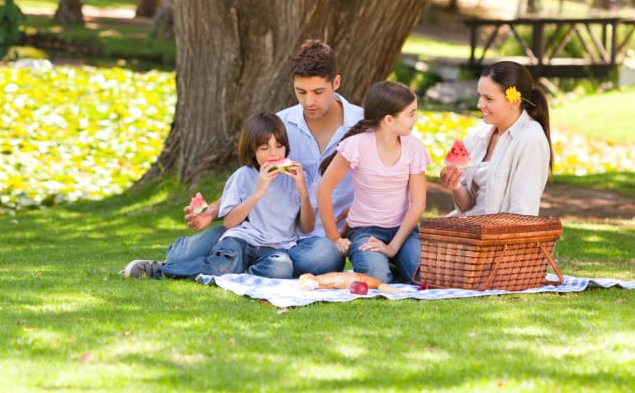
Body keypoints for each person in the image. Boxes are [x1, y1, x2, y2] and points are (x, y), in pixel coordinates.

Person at [124, 39, 362, 278]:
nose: (309, 101)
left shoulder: (363, 127)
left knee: (323, 259)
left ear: (336, 82)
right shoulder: (279, 126)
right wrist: (211, 211)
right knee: (181, 256)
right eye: (301, 92)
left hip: (315, 240)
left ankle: (235, 264)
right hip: (258, 229)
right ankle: (224, 261)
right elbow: (248, 179)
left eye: (318, 92)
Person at [126, 113, 314, 279]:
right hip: (242, 240)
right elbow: (229, 223)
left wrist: (303, 191)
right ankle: (159, 270)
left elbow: (307, 227)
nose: (273, 153)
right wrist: (258, 192)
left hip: (276, 247)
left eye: (279, 146)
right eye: (264, 148)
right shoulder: (243, 176)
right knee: (224, 264)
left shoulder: (296, 178)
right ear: (252, 151)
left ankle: (232, 275)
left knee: (281, 269)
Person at [315, 81, 428, 284]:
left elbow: (418, 203)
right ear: (388, 120)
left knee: (423, 276)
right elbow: (323, 189)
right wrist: (335, 237)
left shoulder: (414, 147)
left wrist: (393, 247)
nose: (416, 119)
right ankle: (383, 263)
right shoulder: (356, 145)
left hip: (403, 229)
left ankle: (392, 258)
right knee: (377, 277)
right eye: (411, 114)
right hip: (365, 230)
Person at [439, 60, 553, 216]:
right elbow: (466, 205)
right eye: (480, 96)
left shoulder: (531, 138)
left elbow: (523, 211)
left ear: (514, 101)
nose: (480, 104)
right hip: (466, 226)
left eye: (489, 99)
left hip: (496, 235)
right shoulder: (479, 133)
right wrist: (456, 186)